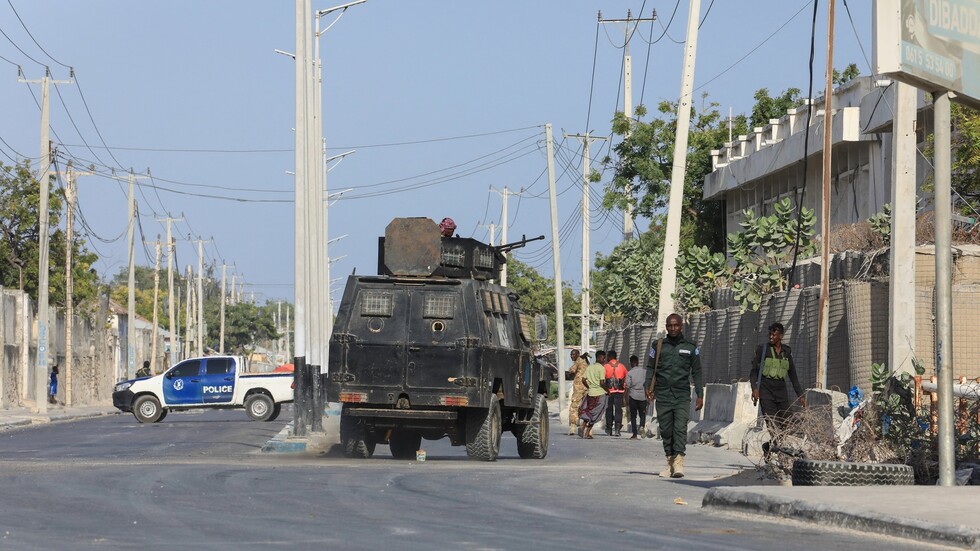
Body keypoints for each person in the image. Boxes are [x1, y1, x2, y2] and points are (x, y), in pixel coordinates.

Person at [646, 313, 703, 478]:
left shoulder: (691, 347)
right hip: (662, 394)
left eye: (675, 325)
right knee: (665, 430)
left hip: (682, 395)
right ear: (666, 327)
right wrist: (647, 386)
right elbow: (650, 368)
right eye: (669, 325)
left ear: (681, 326)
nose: (672, 328)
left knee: (680, 428)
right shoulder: (657, 346)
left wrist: (700, 394)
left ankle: (679, 462)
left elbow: (697, 372)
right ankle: (670, 461)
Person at [750, 322, 806, 444]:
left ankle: (769, 446)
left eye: (774, 335)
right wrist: (754, 388)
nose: (771, 337)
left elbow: (793, 375)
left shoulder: (787, 352)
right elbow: (753, 372)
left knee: (786, 423)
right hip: (766, 391)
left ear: (780, 336)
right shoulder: (762, 350)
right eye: (770, 334)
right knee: (772, 424)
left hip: (781, 391)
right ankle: (776, 449)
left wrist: (800, 395)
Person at [577, 350, 607, 439]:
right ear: (598, 358)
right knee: (596, 414)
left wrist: (589, 386)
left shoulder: (589, 367)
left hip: (590, 393)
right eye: (603, 357)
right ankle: (587, 433)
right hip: (600, 393)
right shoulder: (601, 368)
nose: (604, 359)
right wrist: (608, 390)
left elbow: (583, 380)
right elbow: (602, 383)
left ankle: (583, 427)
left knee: (589, 411)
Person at [603, 350, 628, 436]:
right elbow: (626, 379)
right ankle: (617, 429)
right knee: (618, 410)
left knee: (608, 410)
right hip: (620, 391)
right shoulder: (622, 366)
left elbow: (602, 379)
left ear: (609, 357)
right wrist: (624, 389)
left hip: (609, 391)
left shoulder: (605, 366)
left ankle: (609, 428)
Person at [566, 349, 589, 435]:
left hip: (579, 387)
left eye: (573, 354)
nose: (572, 356)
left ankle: (572, 427)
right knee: (587, 407)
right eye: (571, 355)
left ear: (578, 354)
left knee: (574, 406)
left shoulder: (578, 361)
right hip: (587, 387)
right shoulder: (585, 361)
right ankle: (588, 429)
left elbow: (571, 370)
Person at [624, 355, 647, 439]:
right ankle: (641, 426)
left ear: (631, 363)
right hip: (643, 396)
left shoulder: (629, 373)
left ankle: (634, 434)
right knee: (642, 414)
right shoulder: (644, 371)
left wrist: (624, 397)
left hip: (633, 396)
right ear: (637, 362)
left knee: (633, 416)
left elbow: (627, 386)